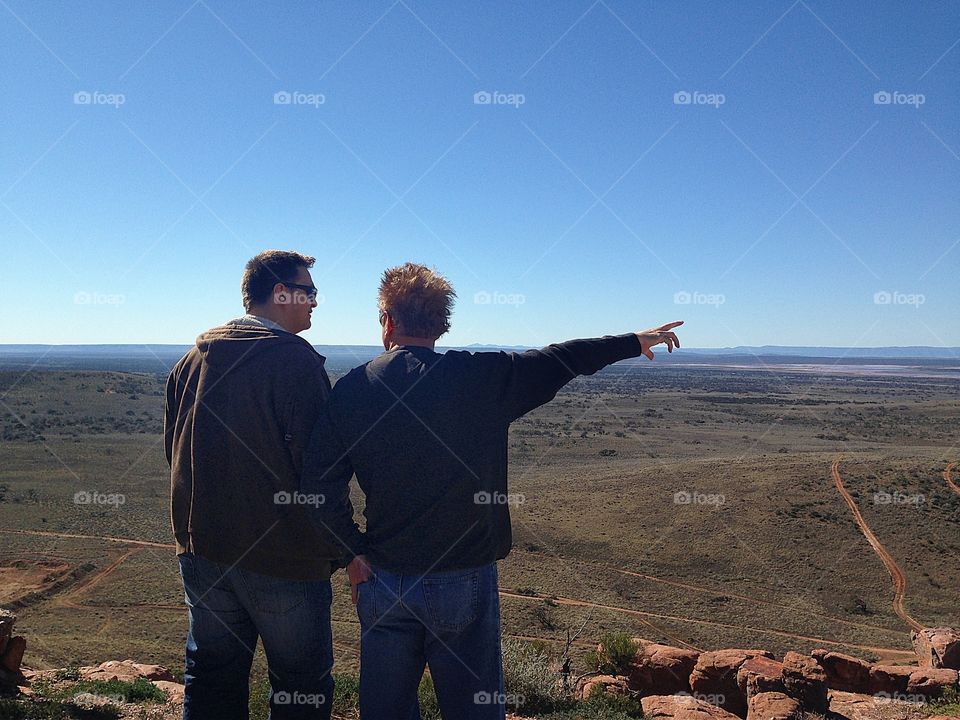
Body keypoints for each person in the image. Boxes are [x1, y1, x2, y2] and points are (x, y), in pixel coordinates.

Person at [302, 262, 682, 719]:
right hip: (464, 577)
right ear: (443, 323)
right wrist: (633, 341)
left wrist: (352, 554)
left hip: (382, 577)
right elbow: (564, 357)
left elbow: (318, 488)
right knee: (473, 708)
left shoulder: (353, 390)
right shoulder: (482, 377)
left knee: (384, 709)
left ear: (387, 320)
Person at [164, 250, 341, 720]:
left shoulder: (192, 360)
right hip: (284, 557)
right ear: (280, 294)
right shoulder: (295, 365)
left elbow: (173, 453)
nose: (314, 304)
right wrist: (342, 546)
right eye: (309, 292)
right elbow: (319, 471)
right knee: (300, 684)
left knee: (212, 674)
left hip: (203, 550)